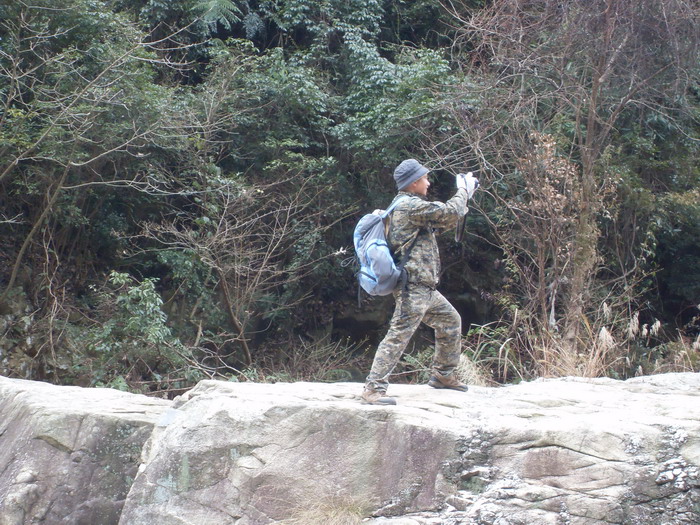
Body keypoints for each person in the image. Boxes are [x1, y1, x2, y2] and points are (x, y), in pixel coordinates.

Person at [361, 158, 478, 405]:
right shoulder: (410, 207)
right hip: (413, 287)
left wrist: (461, 203)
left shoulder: (405, 207)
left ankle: (442, 375)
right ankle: (373, 388)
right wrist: (464, 191)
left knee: (450, 321)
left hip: (423, 287)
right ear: (414, 183)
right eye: (425, 178)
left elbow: (445, 220)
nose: (428, 182)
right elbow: (449, 213)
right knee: (399, 334)